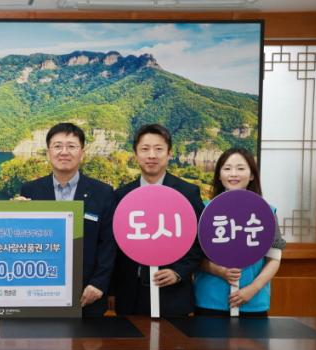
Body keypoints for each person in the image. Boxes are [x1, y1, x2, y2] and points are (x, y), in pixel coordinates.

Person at [19, 122, 117, 317]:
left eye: (71, 146)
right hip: (39, 290)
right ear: (48, 152)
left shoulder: (103, 192)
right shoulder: (30, 190)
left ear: (82, 153)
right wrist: (14, 216)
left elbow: (109, 243)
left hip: (87, 293)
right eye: (57, 146)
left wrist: (98, 283)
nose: (64, 152)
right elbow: (22, 239)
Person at [112, 123, 205, 317]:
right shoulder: (121, 196)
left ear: (169, 153)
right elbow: (113, 245)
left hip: (173, 294)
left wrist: (178, 272)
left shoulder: (187, 193)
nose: (152, 155)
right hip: (131, 296)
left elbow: (200, 241)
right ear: (136, 154)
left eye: (158, 149)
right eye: (145, 149)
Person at [194, 148, 286, 317]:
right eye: (227, 168)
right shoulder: (203, 210)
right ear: (219, 175)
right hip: (210, 299)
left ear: (252, 175)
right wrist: (219, 271)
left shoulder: (266, 211)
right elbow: (193, 255)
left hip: (253, 301)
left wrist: (253, 289)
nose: (233, 174)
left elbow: (274, 258)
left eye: (241, 168)